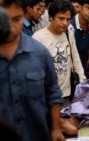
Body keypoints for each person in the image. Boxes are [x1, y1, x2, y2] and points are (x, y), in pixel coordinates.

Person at [0, 0, 65, 141]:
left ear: (23, 15)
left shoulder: (40, 53)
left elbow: (53, 92)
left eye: (17, 19)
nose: (10, 28)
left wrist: (56, 128)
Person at [32, 0, 86, 106]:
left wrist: (82, 83)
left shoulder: (68, 34)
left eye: (68, 19)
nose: (65, 23)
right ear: (51, 17)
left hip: (66, 94)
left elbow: (75, 60)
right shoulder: (38, 38)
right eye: (61, 18)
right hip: (47, 96)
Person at [68, 0, 89, 74]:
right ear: (80, 7)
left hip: (84, 63)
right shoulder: (70, 25)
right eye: (87, 8)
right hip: (71, 65)